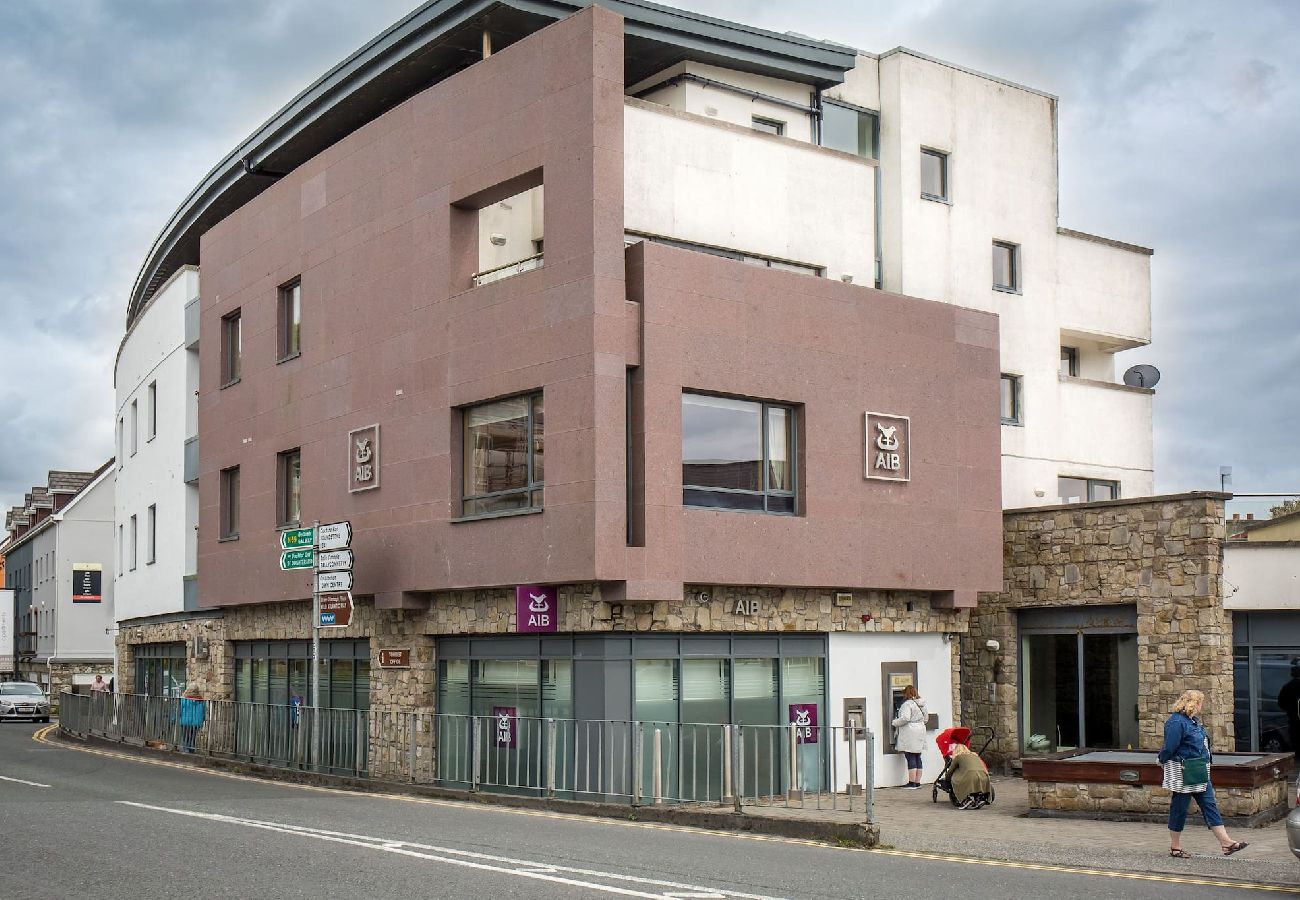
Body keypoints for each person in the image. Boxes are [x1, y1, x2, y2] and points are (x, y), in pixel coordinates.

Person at [1159, 689, 1248, 858]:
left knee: (1209, 804)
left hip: (1199, 770)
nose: (1202, 706)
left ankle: (1226, 843)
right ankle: (1175, 847)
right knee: (1179, 808)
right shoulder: (1176, 722)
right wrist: (1161, 760)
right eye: (1201, 703)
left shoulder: (1193, 721)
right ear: (1194, 703)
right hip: (1184, 771)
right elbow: (1169, 747)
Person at [892, 684, 928, 789]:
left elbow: (905, 718)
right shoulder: (922, 704)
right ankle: (917, 782)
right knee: (917, 756)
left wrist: (894, 722)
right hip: (921, 729)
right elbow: (926, 719)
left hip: (910, 731)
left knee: (910, 755)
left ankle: (911, 782)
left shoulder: (907, 704)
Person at [948, 743, 991, 809]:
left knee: (955, 779)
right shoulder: (975, 755)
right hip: (984, 775)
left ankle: (965, 799)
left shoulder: (958, 757)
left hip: (970, 776)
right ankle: (978, 799)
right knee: (972, 777)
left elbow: (951, 770)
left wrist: (947, 777)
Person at [1276, 664, 1300, 758]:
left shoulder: (1287, 687)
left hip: (1293, 720)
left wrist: (1290, 709)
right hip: (1294, 719)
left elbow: (1281, 703)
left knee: (1296, 742)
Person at [178, 687, 207, 753]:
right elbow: (203, 712)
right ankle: (192, 750)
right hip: (196, 722)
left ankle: (186, 750)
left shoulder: (184, 700)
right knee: (193, 737)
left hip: (185, 721)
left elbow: (179, 710)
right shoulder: (201, 701)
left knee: (185, 737)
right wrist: (202, 720)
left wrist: (175, 718)